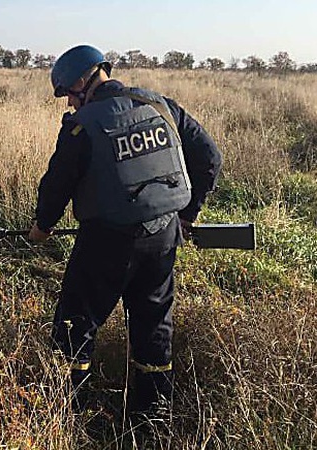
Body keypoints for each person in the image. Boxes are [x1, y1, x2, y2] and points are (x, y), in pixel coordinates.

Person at [28, 45, 222, 423]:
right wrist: (187, 214)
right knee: (153, 325)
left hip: (106, 242)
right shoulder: (162, 106)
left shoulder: (82, 126)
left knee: (75, 324)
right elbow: (210, 158)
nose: (68, 102)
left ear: (85, 80)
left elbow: (57, 185)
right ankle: (152, 419)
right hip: (164, 237)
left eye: (68, 91)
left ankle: (71, 414)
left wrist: (43, 226)